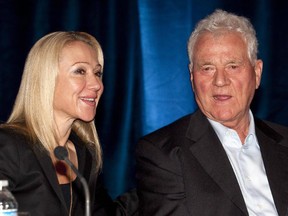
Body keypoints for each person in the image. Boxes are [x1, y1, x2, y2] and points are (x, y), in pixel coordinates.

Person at [136, 9, 288, 216]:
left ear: (257, 73)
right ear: (192, 77)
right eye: (207, 68)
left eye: (232, 66)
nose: (220, 81)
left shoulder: (284, 141)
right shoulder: (164, 153)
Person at [0, 31, 115, 215]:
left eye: (97, 73)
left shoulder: (84, 154)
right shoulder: (7, 146)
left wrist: (163, 174)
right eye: (80, 71)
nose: (96, 84)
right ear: (46, 80)